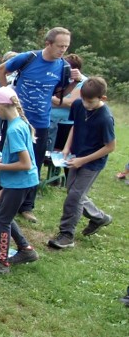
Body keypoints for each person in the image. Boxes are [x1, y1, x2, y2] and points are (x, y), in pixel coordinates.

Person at [0, 27, 72, 223]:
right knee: (6, 156)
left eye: (66, 46)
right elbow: (1, 69)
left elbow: (59, 92)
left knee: (34, 165)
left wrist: (75, 81)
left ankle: (27, 206)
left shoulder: (63, 67)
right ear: (48, 43)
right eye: (60, 46)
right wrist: (7, 95)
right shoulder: (28, 58)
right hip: (16, 119)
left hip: (41, 122)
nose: (63, 50)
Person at [47, 77, 115, 249]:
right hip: (75, 156)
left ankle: (66, 235)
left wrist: (82, 161)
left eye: (90, 102)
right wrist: (66, 148)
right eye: (83, 100)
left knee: (75, 196)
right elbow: (75, 126)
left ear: (103, 98)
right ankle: (100, 218)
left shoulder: (105, 118)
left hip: (92, 163)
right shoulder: (78, 105)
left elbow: (110, 147)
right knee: (73, 192)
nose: (86, 104)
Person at [0, 87, 40, 274]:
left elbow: (25, 163)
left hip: (19, 182)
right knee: (0, 212)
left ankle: (1, 262)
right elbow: (15, 156)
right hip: (21, 181)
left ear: (0, 106)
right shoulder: (20, 123)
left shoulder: (14, 129)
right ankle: (25, 250)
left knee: (3, 220)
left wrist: (0, 167)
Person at [46, 53, 86, 153]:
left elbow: (71, 103)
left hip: (67, 123)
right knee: (46, 151)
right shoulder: (58, 77)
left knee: (61, 153)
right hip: (50, 120)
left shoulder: (83, 82)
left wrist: (50, 98)